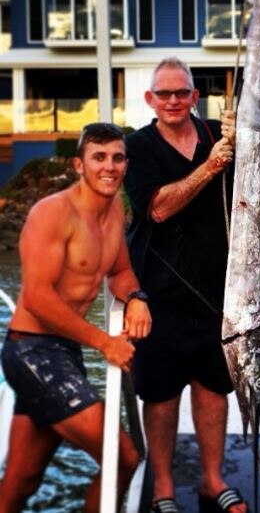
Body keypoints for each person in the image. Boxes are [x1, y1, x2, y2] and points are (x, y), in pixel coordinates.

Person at [0, 123, 152, 513]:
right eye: (98, 157)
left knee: (21, 482)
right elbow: (37, 298)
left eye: (117, 157)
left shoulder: (115, 209)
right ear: (78, 164)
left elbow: (119, 270)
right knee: (124, 457)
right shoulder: (52, 213)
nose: (109, 166)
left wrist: (136, 297)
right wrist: (105, 342)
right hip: (32, 352)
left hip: (65, 351)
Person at [123, 57, 246, 513]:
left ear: (195, 96)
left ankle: (213, 481)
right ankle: (164, 489)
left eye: (182, 92)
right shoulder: (136, 146)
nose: (173, 101)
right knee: (160, 395)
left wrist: (244, 131)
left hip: (220, 293)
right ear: (150, 100)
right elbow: (157, 208)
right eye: (164, 94)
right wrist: (212, 166)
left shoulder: (219, 133)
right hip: (158, 296)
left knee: (214, 389)